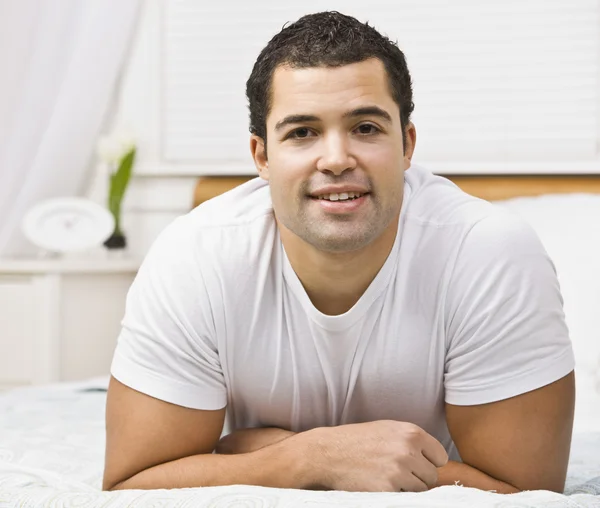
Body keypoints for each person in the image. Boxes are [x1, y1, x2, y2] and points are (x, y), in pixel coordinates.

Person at [102, 11, 575, 494]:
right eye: (302, 132)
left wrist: (262, 452)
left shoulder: (488, 253)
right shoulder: (195, 258)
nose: (335, 159)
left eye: (366, 127)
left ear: (407, 144)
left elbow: (528, 497)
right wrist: (309, 458)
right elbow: (131, 488)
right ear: (262, 156)